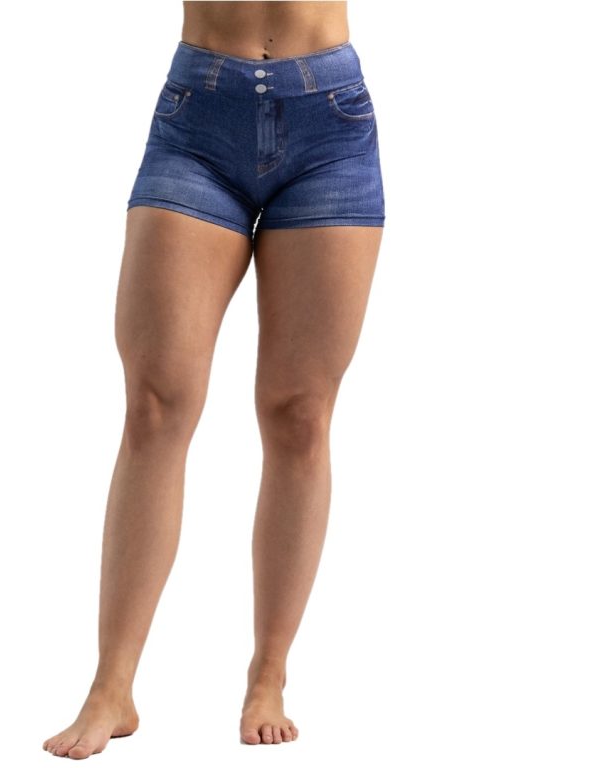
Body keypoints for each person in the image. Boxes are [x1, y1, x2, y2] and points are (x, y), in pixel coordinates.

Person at [43, 0, 384, 757]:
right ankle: (112, 686)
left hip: (329, 120)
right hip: (199, 112)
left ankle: (269, 675)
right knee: (155, 404)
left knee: (300, 413)